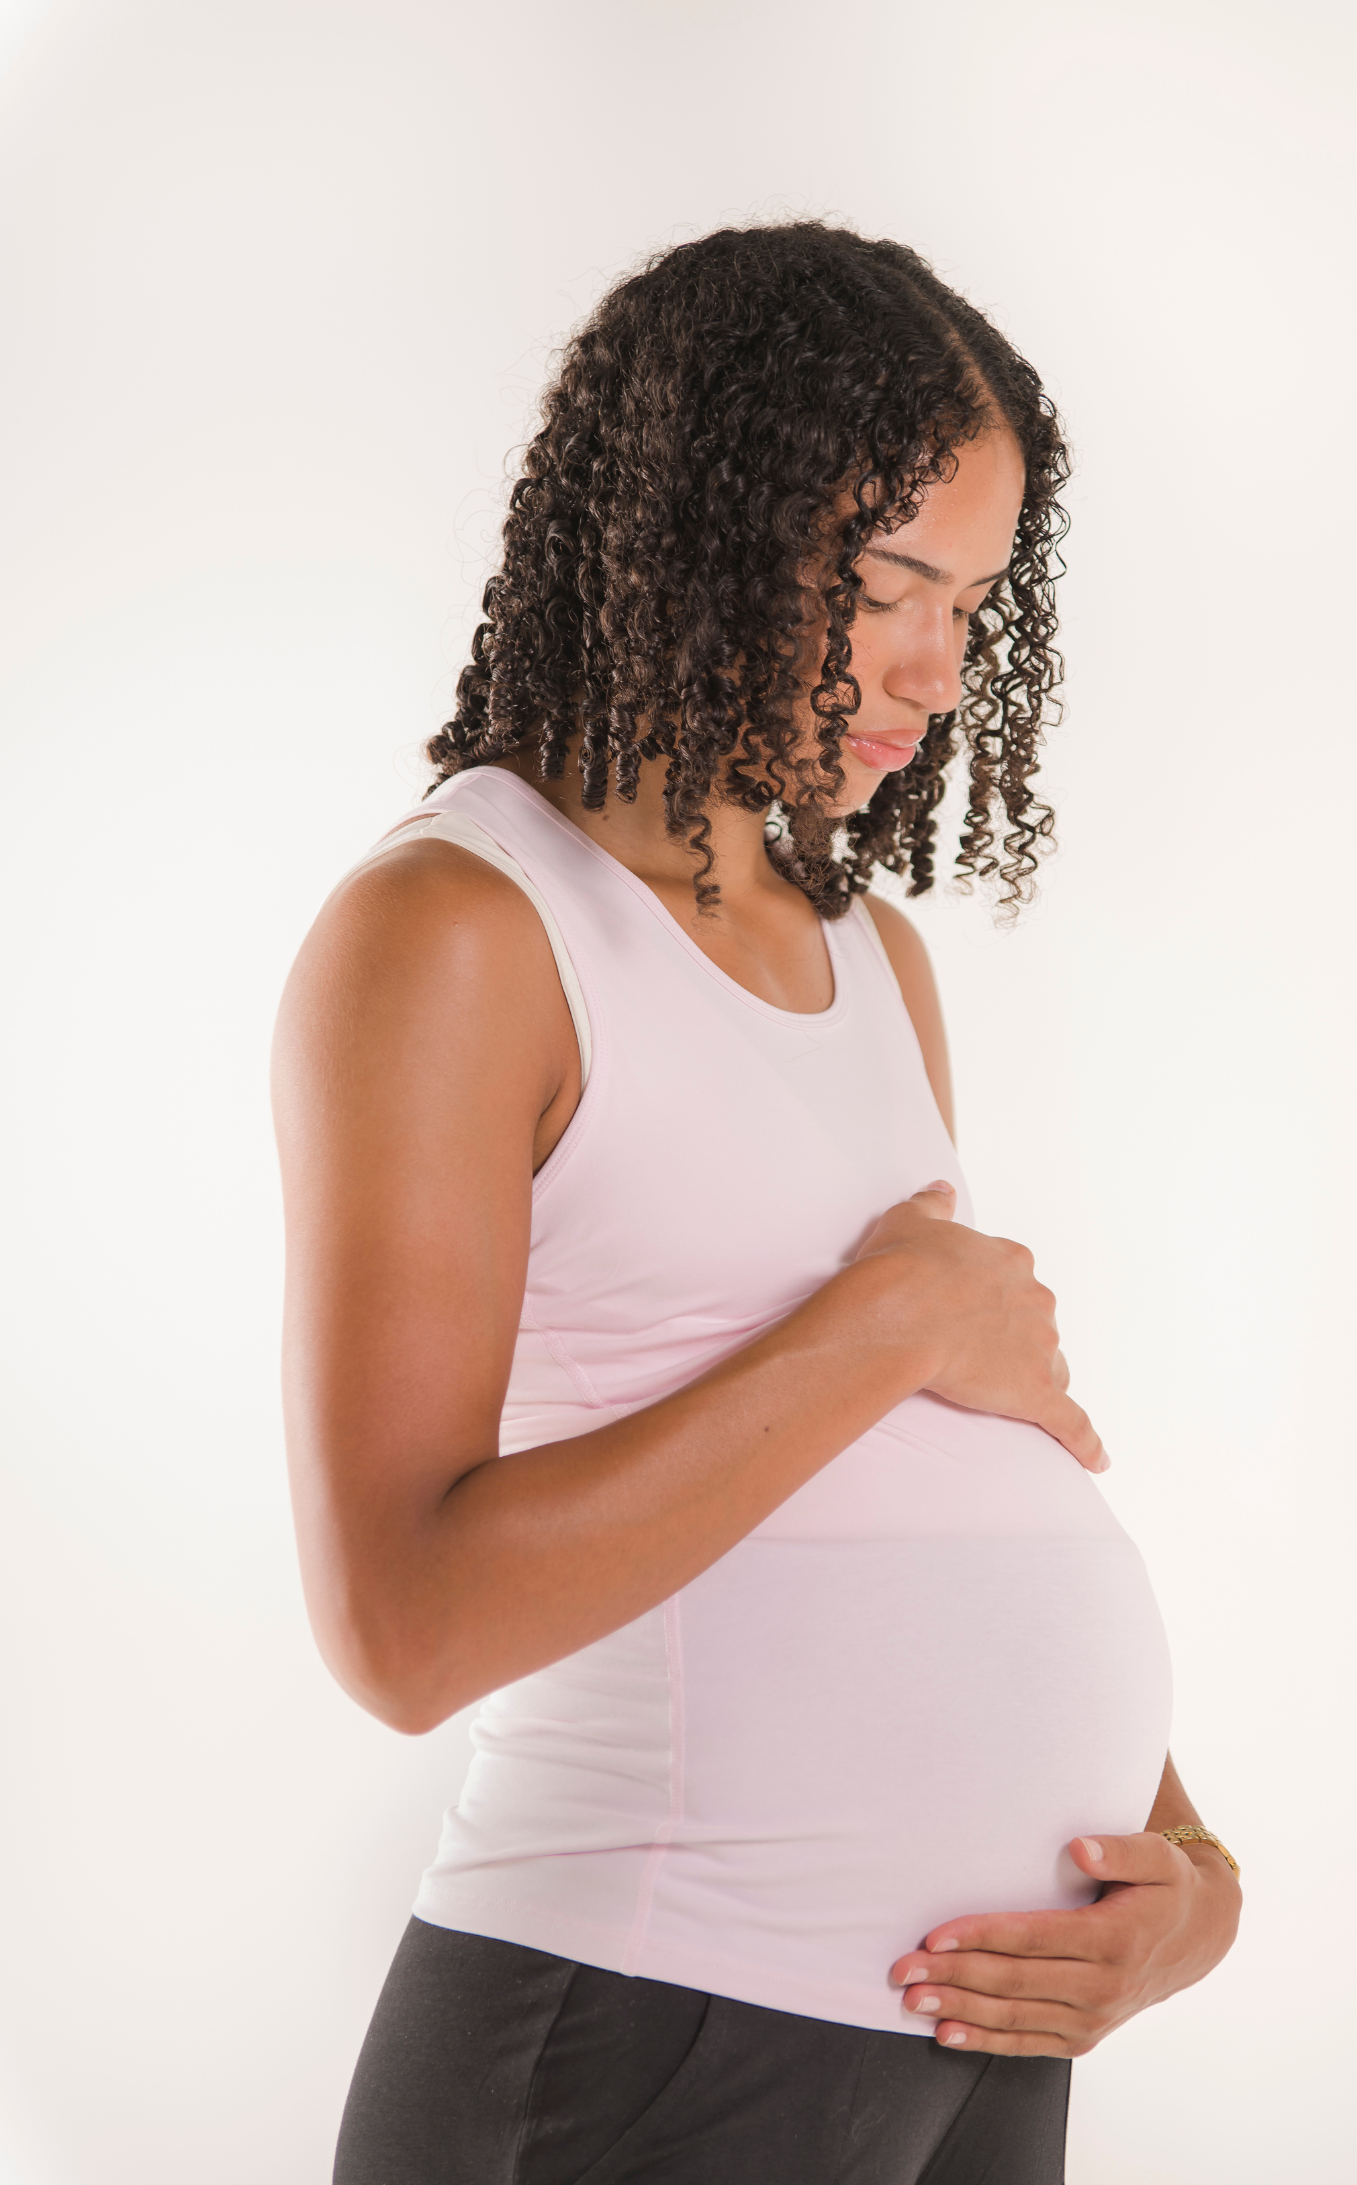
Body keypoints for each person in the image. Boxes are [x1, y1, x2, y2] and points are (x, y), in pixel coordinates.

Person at [273, 221, 1240, 2185]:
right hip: (643, 2019)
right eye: (885, 590)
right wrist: (889, 1323)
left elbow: (934, 1472)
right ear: (694, 536)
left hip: (977, 2027)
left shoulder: (871, 955)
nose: (936, 672)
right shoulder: (460, 931)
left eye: (974, 602)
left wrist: (1186, 1864)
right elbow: (401, 1625)